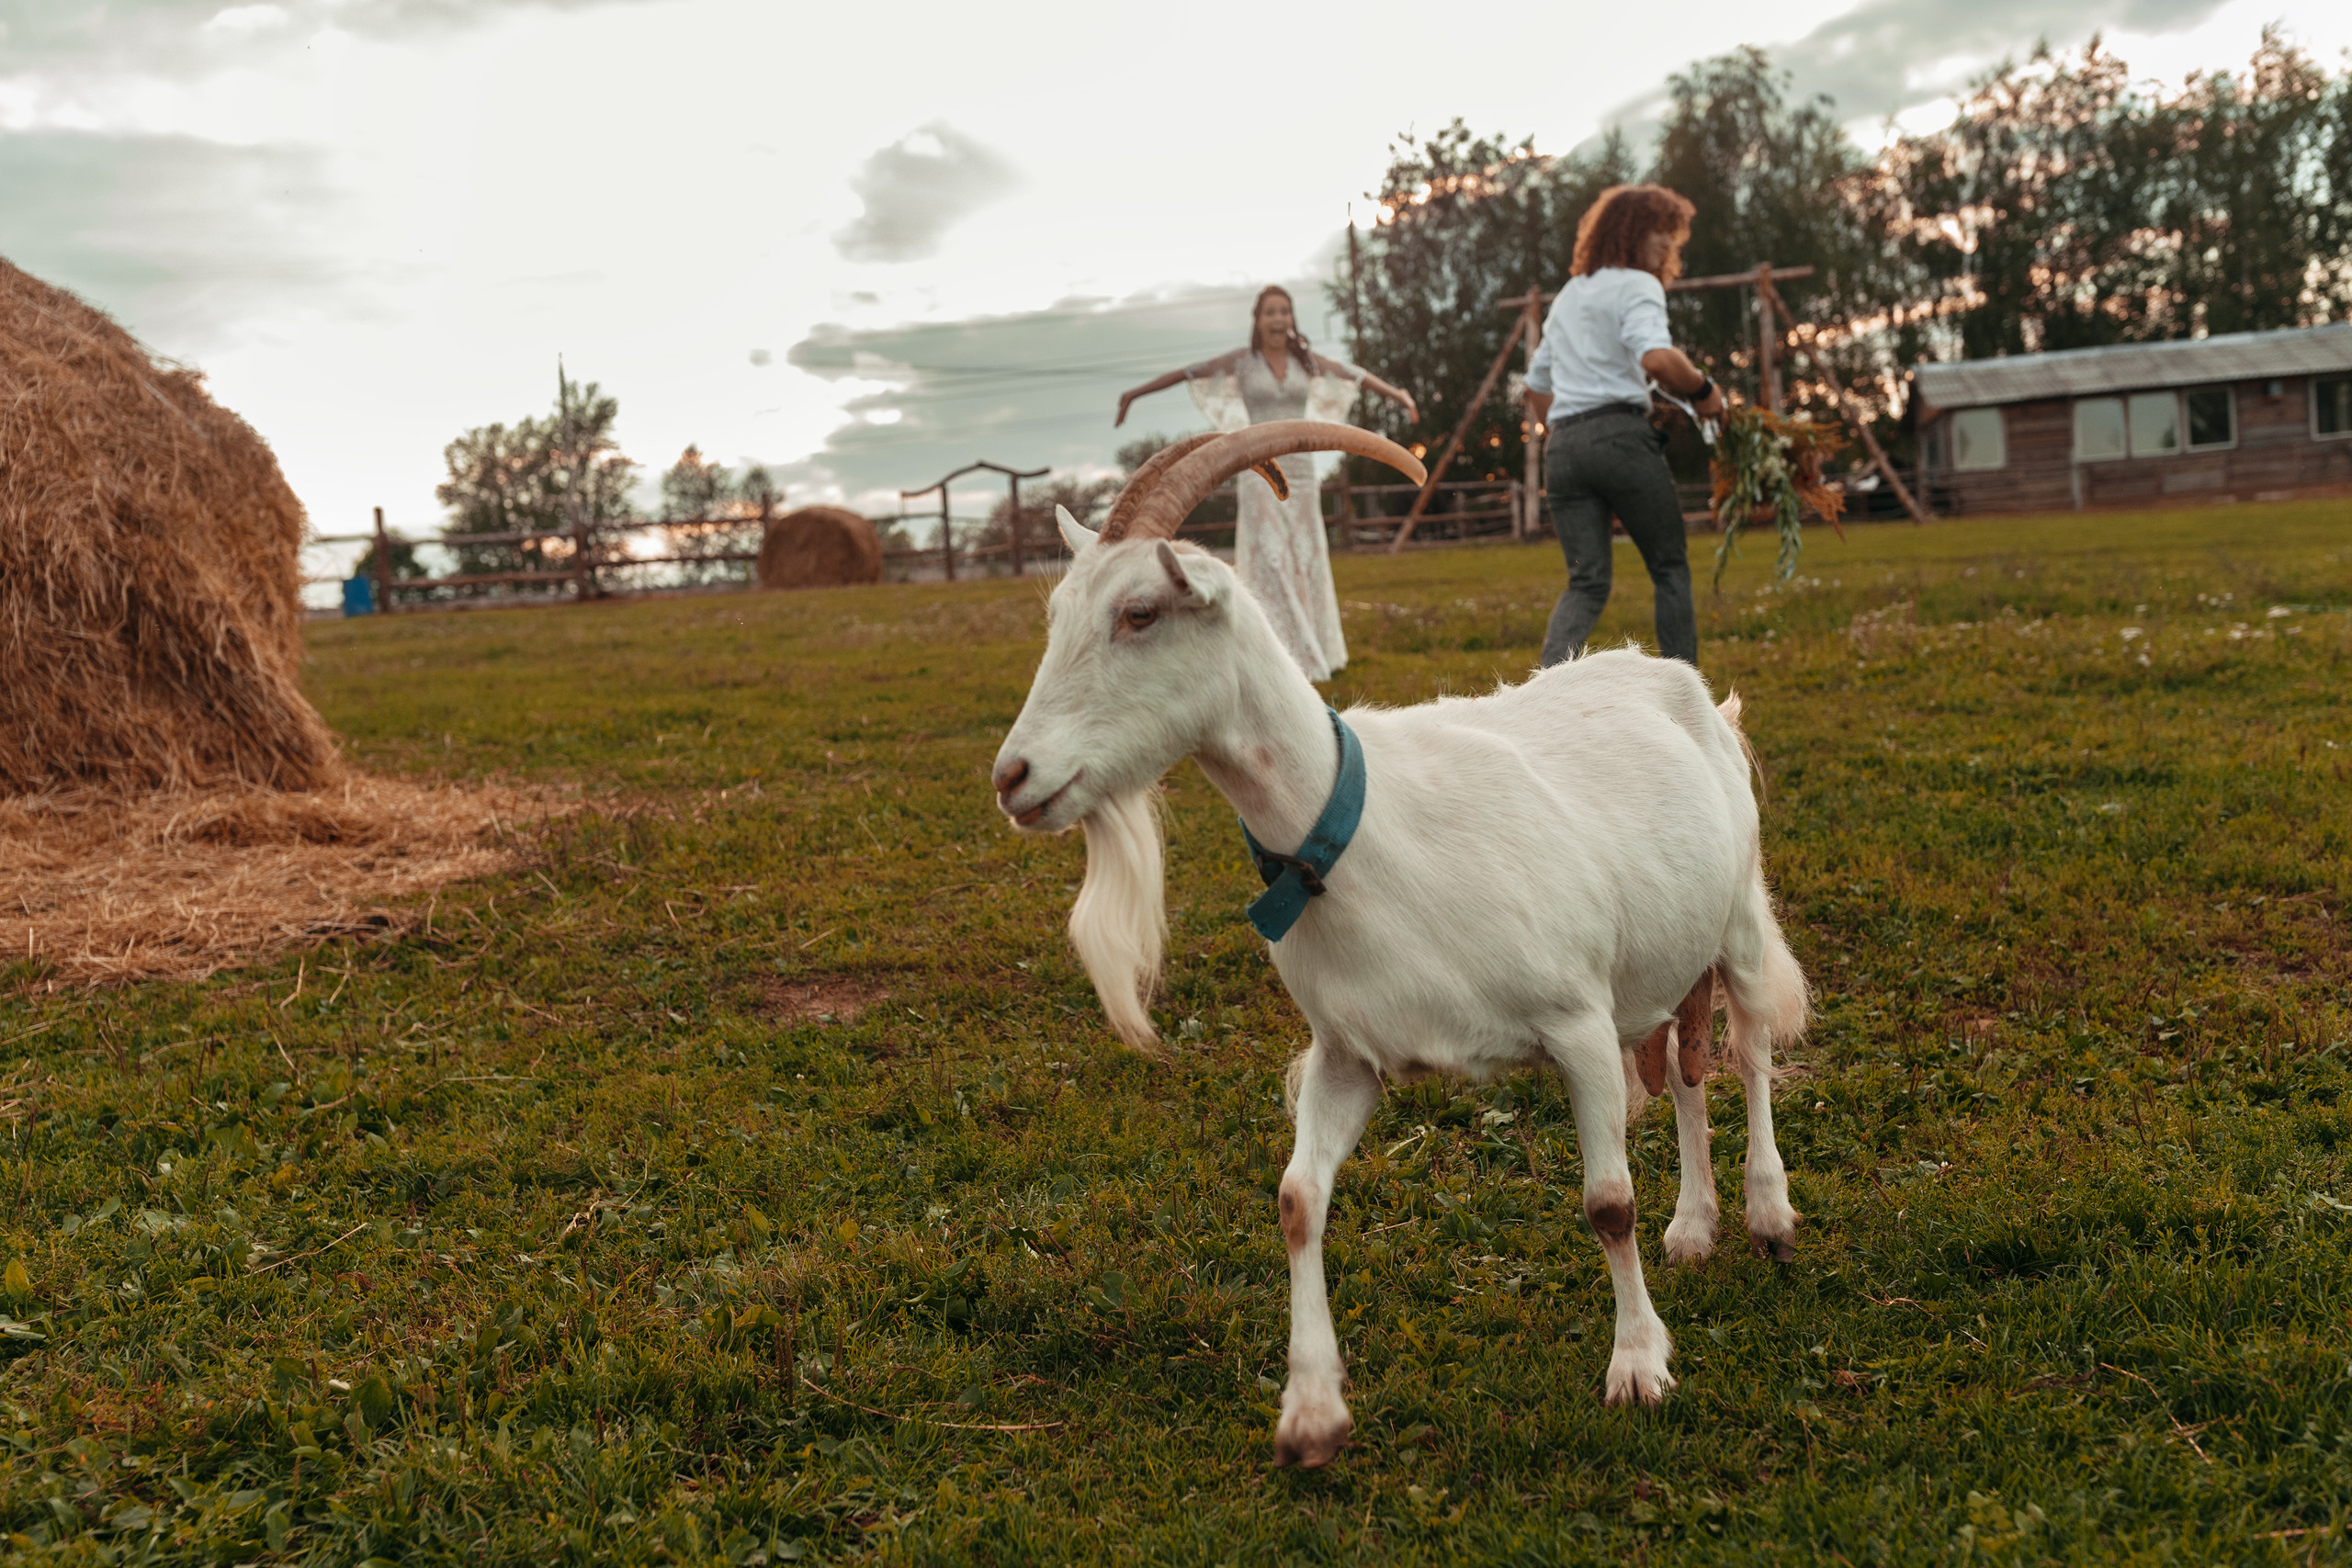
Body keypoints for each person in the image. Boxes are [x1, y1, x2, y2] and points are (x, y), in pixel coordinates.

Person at [1115, 287, 1419, 681]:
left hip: (1303, 474)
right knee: (1270, 560)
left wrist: (1402, 397)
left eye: (1285, 312)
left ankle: (1315, 648)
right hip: (1260, 473)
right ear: (1257, 320)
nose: (1278, 319)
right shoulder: (1243, 363)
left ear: (1292, 319)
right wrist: (1133, 394)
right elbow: (1186, 372)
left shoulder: (1305, 363)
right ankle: (1281, 654)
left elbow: (1355, 375)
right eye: (1270, 312)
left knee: (1303, 557)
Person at [1522, 184, 1725, 668]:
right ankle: (1686, 705)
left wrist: (1570, 438)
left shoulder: (1571, 294)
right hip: (1620, 438)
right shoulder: (1638, 286)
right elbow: (1656, 357)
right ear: (1631, 232)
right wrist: (1704, 393)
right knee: (1670, 568)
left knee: (1586, 581)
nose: (1667, 246)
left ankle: (1543, 701)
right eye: (1660, 232)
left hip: (1565, 451)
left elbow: (1534, 385)